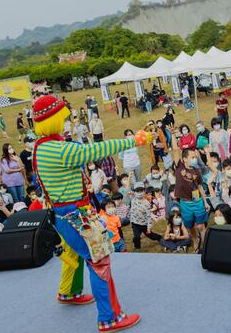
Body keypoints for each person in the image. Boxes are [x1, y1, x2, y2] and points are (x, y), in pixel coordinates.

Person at [32, 94, 141, 332]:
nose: (66, 121)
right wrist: (134, 140)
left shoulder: (41, 147)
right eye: (63, 117)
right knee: (99, 260)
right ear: (52, 119)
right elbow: (94, 150)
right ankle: (109, 317)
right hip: (75, 215)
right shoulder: (58, 149)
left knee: (73, 254)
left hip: (60, 214)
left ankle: (69, 292)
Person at [171, 135, 209, 251]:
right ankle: (195, 240)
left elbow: (200, 187)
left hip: (197, 201)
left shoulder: (196, 171)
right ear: (185, 159)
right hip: (185, 203)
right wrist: (173, 135)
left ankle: (205, 244)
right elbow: (175, 150)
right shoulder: (179, 167)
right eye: (192, 157)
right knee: (190, 225)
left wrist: (205, 202)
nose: (194, 159)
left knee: (201, 225)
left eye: (195, 157)